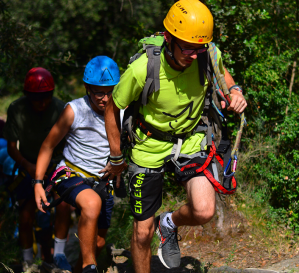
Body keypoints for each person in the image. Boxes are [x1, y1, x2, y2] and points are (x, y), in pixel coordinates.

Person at [104, 1, 248, 272]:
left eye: (200, 47)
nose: (194, 55)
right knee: (142, 233)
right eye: (188, 47)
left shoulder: (206, 54)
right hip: (149, 145)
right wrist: (116, 156)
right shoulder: (143, 68)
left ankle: (167, 223)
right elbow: (113, 109)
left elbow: (221, 71)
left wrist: (235, 91)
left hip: (191, 139)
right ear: (168, 38)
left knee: (204, 210)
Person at [34, 56, 121, 273]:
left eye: (110, 92)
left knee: (99, 243)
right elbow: (47, 146)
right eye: (99, 92)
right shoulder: (75, 110)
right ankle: (89, 267)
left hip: (102, 181)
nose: (105, 98)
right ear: (87, 88)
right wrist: (37, 182)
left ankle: (77, 269)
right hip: (70, 173)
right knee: (91, 203)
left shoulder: (122, 110)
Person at [3, 67, 72, 271]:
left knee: (63, 207)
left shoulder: (60, 109)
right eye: (36, 99)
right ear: (27, 96)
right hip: (28, 166)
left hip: (55, 166)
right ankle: (27, 261)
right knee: (25, 215)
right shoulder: (16, 109)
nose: (42, 103)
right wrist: (28, 166)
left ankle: (59, 254)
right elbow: (11, 146)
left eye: (45, 98)